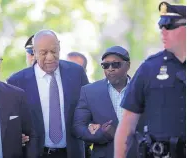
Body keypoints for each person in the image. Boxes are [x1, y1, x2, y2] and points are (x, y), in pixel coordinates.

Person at [114, 2, 186, 158]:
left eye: (169, 26)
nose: (163, 32)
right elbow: (127, 125)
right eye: (161, 27)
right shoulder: (149, 68)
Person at [7, 29, 89, 158]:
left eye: (54, 51)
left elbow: (87, 110)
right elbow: (10, 121)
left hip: (72, 153)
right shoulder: (17, 81)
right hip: (34, 153)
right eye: (44, 53)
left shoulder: (76, 73)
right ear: (34, 52)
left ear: (60, 47)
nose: (50, 57)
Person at [73, 46, 137, 158]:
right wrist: (102, 133)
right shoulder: (89, 92)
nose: (110, 69)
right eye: (105, 65)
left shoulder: (141, 89)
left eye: (115, 64)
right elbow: (78, 127)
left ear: (128, 65)